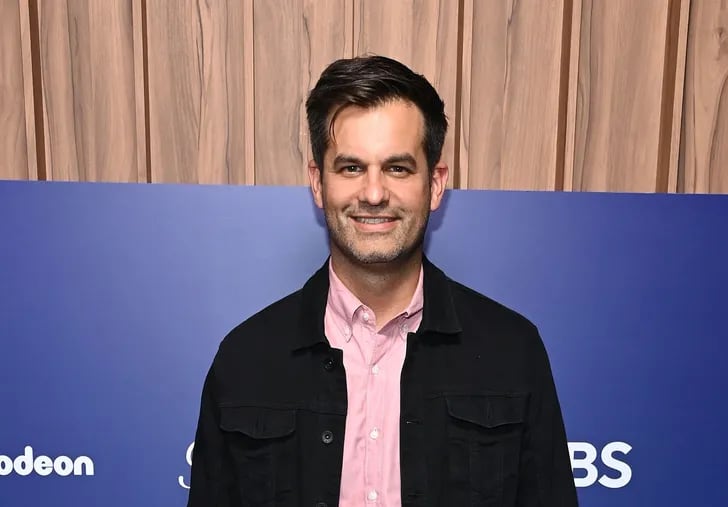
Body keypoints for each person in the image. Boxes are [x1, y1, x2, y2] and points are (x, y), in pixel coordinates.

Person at [187, 55, 577, 507]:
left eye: (397, 168)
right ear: (318, 183)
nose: (373, 194)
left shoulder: (512, 351)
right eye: (352, 168)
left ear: (434, 184)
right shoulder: (245, 359)